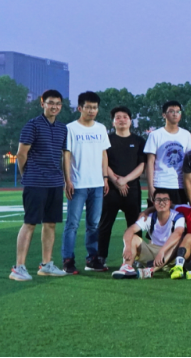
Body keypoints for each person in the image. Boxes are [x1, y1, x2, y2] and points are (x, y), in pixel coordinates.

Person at [10, 90, 69, 281]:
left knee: (50, 224)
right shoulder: (32, 125)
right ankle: (19, 267)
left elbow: (63, 155)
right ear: (42, 104)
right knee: (30, 223)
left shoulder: (62, 128)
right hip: (35, 182)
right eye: (50, 103)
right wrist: (27, 175)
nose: (54, 107)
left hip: (55, 183)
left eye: (58, 104)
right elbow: (21, 154)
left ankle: (46, 265)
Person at [61, 91, 112, 275]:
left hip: (97, 184)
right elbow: (66, 155)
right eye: (88, 107)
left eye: (95, 107)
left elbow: (104, 154)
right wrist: (67, 180)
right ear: (80, 108)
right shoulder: (70, 128)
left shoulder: (101, 128)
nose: (92, 110)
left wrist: (105, 178)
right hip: (77, 183)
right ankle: (68, 260)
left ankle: (92, 259)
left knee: (94, 224)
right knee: (72, 224)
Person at [99, 106, 146, 270]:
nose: (121, 120)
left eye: (125, 117)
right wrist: (115, 180)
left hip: (132, 189)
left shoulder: (139, 141)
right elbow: (103, 162)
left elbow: (142, 165)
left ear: (130, 121)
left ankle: (137, 257)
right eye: (118, 117)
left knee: (135, 224)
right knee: (105, 224)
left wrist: (125, 180)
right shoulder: (106, 140)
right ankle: (100, 257)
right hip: (111, 189)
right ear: (113, 122)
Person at [112, 189, 186, 279]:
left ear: (170, 203)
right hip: (153, 251)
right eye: (158, 200)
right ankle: (127, 267)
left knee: (180, 240)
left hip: (169, 254)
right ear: (154, 203)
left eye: (165, 200)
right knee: (133, 238)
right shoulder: (149, 217)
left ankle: (150, 271)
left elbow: (178, 233)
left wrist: (162, 251)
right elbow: (130, 230)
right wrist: (127, 247)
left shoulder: (177, 216)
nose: (161, 203)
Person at [144, 100, 191, 206]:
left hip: (180, 185)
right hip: (160, 183)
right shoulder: (155, 135)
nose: (175, 114)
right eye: (171, 111)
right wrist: (150, 186)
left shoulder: (186, 134)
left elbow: (188, 162)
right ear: (164, 115)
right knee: (158, 215)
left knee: (179, 215)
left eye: (178, 111)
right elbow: (150, 162)